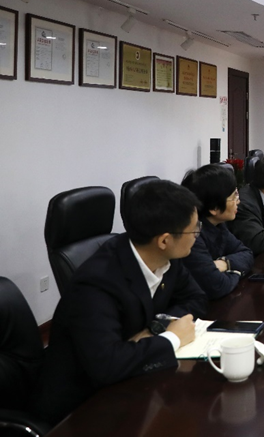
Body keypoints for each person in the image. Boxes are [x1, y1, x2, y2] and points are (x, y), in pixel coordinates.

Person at [35, 180, 208, 425]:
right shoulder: (96, 283)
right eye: (194, 230)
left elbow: (196, 298)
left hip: (133, 384)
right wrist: (172, 338)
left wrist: (156, 328)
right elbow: (107, 365)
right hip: (82, 409)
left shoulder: (166, 257)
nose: (197, 235)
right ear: (164, 240)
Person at [181, 164, 254, 300]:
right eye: (234, 196)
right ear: (214, 208)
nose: (238, 201)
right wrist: (237, 272)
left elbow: (247, 253)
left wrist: (225, 263)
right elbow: (218, 286)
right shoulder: (192, 236)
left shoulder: (218, 225)